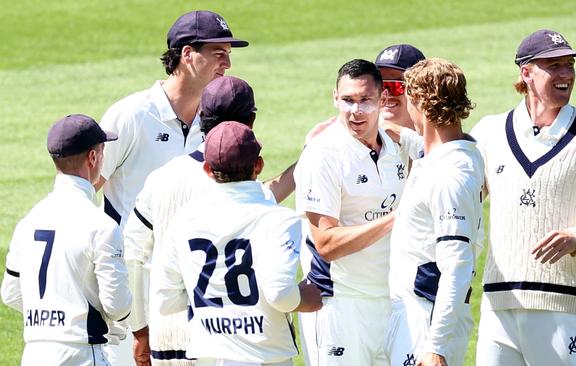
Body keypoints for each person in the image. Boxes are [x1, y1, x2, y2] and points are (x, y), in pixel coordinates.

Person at [470, 29, 576, 365]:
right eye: (554, 66)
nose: (566, 75)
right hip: (498, 308)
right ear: (526, 73)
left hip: (564, 307)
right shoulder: (488, 132)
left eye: (569, 66)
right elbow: (461, 199)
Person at [96, 10, 248, 365]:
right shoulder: (131, 115)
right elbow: (89, 187)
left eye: (229, 53)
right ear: (187, 54)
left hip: (195, 281)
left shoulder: (216, 124)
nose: (227, 63)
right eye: (218, 53)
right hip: (134, 280)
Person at [123, 75, 272, 365]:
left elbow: (132, 255)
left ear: (202, 116)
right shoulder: (252, 190)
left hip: (169, 338)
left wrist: (140, 329)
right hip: (233, 343)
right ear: (251, 121)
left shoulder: (161, 178)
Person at [150, 122, 322, 365]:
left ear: (208, 169)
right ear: (259, 165)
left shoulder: (183, 220)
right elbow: (280, 294)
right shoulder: (280, 219)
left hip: (209, 355)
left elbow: (165, 301)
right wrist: (304, 297)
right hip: (266, 355)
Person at [294, 59, 409, 365]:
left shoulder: (397, 147)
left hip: (393, 299)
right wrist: (396, 219)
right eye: (347, 100)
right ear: (335, 97)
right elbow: (327, 244)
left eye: (365, 101)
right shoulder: (323, 154)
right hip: (339, 304)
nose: (355, 111)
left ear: (382, 99)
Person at [1, 114, 132, 365]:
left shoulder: (28, 221)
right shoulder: (102, 226)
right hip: (81, 355)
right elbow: (117, 305)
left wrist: (52, 318)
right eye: (102, 152)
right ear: (93, 158)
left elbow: (10, 293)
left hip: (35, 353)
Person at [384, 58, 483, 366]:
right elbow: (426, 147)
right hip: (415, 312)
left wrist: (434, 346)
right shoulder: (451, 156)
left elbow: (457, 266)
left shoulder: (449, 176)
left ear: (419, 104)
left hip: (426, 321)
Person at [375, 44, 426, 131]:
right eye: (380, 85)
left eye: (396, 85)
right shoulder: (355, 137)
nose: (386, 94)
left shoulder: (441, 140)